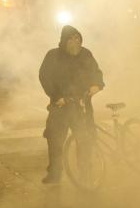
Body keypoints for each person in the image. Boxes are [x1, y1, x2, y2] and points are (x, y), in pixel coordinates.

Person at [38, 25, 105, 184]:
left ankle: (85, 173)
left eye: (78, 39)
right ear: (63, 41)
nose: (75, 43)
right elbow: (45, 77)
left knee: (85, 139)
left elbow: (95, 71)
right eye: (71, 39)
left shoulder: (85, 54)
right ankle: (54, 173)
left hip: (81, 104)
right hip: (60, 106)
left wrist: (97, 84)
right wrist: (56, 97)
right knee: (54, 139)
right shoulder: (53, 55)